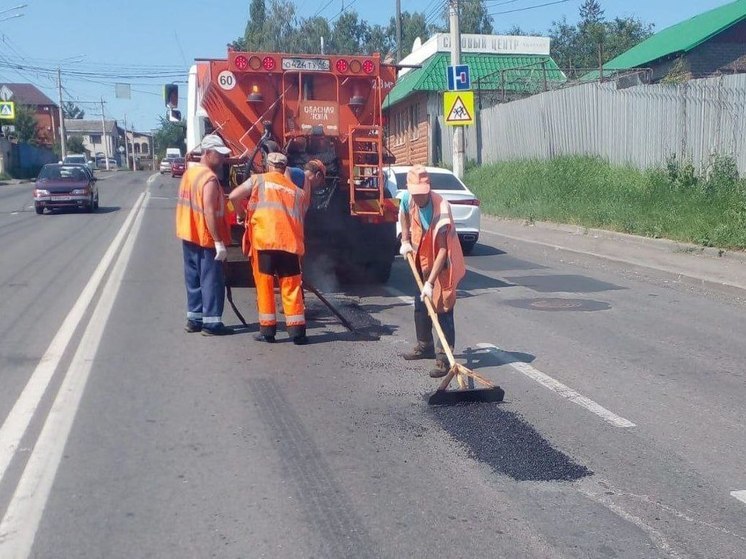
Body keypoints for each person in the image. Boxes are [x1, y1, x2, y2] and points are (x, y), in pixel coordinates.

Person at [229, 152, 325, 345]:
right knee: (291, 288)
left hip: (265, 242)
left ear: (268, 165)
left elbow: (233, 196)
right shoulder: (297, 192)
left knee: (265, 286)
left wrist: (241, 214)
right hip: (290, 245)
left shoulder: (258, 180)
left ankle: (267, 331)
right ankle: (297, 332)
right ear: (284, 167)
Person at [399, 165, 465, 378]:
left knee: (443, 305)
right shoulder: (407, 198)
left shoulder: (441, 207)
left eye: (422, 193)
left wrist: (431, 282)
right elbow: (403, 215)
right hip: (421, 256)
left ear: (429, 189)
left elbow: (444, 250)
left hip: (442, 259)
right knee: (421, 304)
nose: (418, 198)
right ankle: (424, 345)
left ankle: (444, 359)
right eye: (415, 193)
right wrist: (405, 240)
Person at [175, 134, 233, 336]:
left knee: (193, 279)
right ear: (207, 153)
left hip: (188, 234)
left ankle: (194, 319)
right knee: (211, 281)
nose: (224, 159)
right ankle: (212, 324)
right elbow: (209, 211)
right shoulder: (209, 179)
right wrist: (218, 242)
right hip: (205, 237)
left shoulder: (189, 174)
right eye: (220, 154)